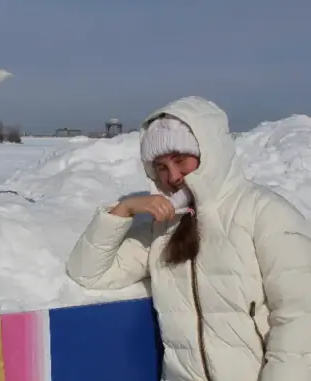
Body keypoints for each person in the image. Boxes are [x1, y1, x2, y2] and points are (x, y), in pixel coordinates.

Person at [66, 96, 311, 381]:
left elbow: (300, 316)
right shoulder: (163, 227)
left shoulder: (264, 212)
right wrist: (124, 210)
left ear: (210, 152)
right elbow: (89, 273)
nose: (173, 176)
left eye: (181, 160)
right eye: (160, 166)